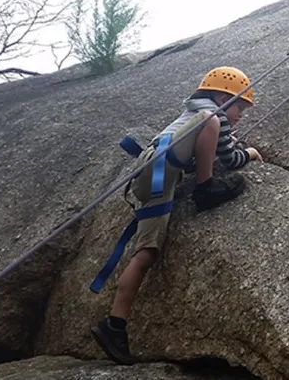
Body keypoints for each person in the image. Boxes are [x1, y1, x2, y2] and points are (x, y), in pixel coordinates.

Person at [90, 66, 262, 365]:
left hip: (156, 179)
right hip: (155, 174)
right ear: (223, 96)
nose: (239, 116)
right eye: (239, 108)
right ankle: (205, 189)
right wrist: (252, 154)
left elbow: (221, 151)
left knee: (147, 253)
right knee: (209, 122)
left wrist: (234, 146)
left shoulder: (198, 116)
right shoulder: (211, 115)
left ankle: (114, 325)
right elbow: (229, 160)